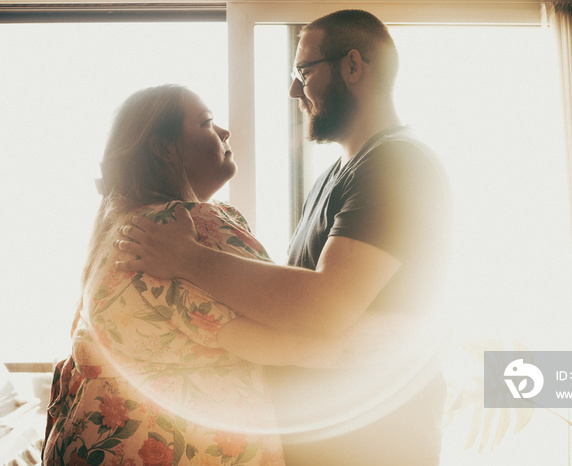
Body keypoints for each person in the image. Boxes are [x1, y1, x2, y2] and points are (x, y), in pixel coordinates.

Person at [114, 10, 451, 466]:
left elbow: (323, 307)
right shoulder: (338, 176)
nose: (294, 89)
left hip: (374, 441)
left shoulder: (396, 164)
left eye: (303, 72)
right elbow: (293, 302)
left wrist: (187, 259)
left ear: (352, 66)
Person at [43, 84, 390, 465]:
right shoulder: (187, 226)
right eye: (207, 123)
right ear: (164, 147)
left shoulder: (117, 227)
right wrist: (398, 340)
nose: (224, 132)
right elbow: (289, 333)